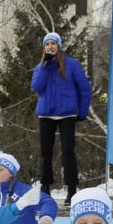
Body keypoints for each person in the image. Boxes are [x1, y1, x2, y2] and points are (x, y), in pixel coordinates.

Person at [31, 32, 93, 204]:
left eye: (53, 43)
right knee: (46, 153)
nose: (50, 46)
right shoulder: (40, 67)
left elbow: (84, 89)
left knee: (68, 152)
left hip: (66, 114)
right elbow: (37, 87)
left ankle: (71, 189)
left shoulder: (71, 64)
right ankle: (45, 189)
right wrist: (45, 66)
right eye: (47, 44)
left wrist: (82, 112)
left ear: (59, 46)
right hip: (46, 114)